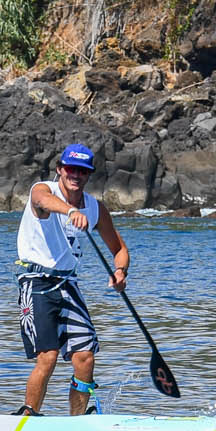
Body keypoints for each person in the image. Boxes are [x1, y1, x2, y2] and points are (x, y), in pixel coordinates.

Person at [13, 143, 128, 416]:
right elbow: (42, 202)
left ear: (89, 174)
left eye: (82, 171)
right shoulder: (43, 190)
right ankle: (28, 415)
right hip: (36, 281)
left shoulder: (95, 208)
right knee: (48, 356)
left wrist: (120, 272)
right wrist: (70, 211)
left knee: (85, 357)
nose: (75, 175)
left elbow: (119, 250)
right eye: (71, 169)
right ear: (60, 170)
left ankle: (77, 421)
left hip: (68, 284)